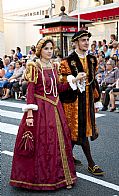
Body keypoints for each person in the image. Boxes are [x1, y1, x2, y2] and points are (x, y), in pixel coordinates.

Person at [10, 36, 80, 190]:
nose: (49, 51)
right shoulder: (34, 66)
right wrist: (29, 114)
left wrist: (73, 81)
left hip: (55, 108)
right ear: (40, 50)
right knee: (42, 144)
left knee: (58, 144)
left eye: (51, 48)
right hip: (40, 109)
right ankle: (39, 179)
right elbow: (30, 91)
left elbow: (58, 90)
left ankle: (62, 177)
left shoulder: (55, 66)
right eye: (46, 48)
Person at [59, 30, 104, 176]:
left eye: (87, 40)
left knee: (78, 131)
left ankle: (66, 157)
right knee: (78, 131)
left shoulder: (92, 59)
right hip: (73, 102)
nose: (86, 43)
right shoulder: (67, 61)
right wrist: (74, 79)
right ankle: (91, 163)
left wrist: (96, 100)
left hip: (87, 101)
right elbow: (62, 82)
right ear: (76, 42)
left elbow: (93, 81)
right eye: (83, 40)